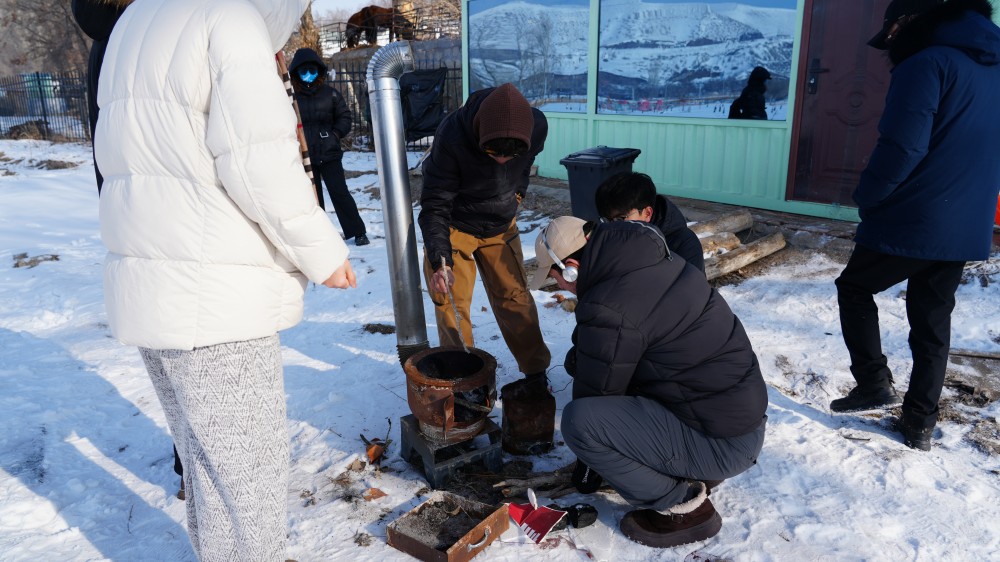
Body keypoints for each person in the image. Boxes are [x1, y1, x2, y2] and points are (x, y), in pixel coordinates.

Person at [95, 0, 356, 560]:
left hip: (152, 280)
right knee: (248, 487)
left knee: (210, 474)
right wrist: (323, 252)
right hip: (215, 295)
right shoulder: (228, 20)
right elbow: (259, 163)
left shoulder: (138, 18)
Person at [531, 216, 767, 548]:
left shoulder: (608, 304)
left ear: (571, 268)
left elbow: (596, 398)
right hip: (737, 422)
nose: (560, 288)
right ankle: (693, 464)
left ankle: (681, 506)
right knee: (582, 363)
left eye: (557, 279)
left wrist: (588, 466)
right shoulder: (655, 261)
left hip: (723, 444)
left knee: (580, 423)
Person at [829, 0, 1000, 452]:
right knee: (931, 318)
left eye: (890, 35)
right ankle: (919, 422)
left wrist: (868, 196)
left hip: (915, 216)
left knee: (855, 287)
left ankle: (872, 383)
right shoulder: (991, 68)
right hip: (966, 218)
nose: (888, 46)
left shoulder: (927, 62)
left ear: (907, 23)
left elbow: (902, 146)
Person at [417, 83, 553, 452]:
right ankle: (464, 380)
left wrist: (518, 194)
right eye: (492, 152)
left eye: (510, 155)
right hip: (455, 226)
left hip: (500, 226)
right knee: (451, 302)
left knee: (514, 297)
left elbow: (523, 167)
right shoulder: (452, 136)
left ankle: (536, 372)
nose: (501, 162)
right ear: (479, 135)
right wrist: (438, 259)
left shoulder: (536, 126)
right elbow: (434, 204)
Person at [288, 47, 369, 246]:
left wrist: (334, 135)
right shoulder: (291, 98)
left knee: (340, 193)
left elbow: (345, 117)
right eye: (303, 71)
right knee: (313, 198)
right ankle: (320, 236)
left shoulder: (330, 94)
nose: (308, 75)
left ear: (319, 71)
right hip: (305, 155)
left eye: (312, 71)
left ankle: (358, 231)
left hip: (329, 153)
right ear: (296, 73)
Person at [594, 171, 704, 272]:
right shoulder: (606, 238)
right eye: (607, 220)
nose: (613, 227)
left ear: (647, 213)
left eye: (620, 219)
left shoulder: (683, 244)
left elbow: (694, 291)